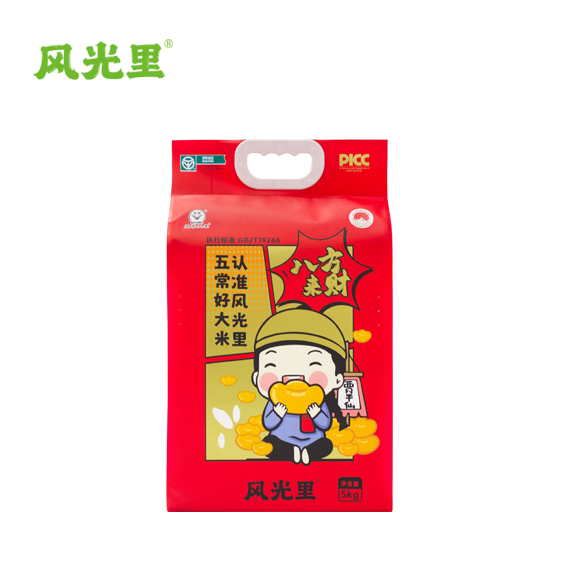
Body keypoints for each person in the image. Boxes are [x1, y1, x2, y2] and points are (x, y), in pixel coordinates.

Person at [251, 307, 349, 465]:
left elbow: (325, 424)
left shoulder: (318, 402)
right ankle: (291, 451)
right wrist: (277, 413)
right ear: (256, 378)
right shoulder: (275, 402)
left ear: (337, 379)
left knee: (326, 445)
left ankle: (309, 451)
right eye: (273, 364)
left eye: (314, 363)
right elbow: (268, 423)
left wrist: (316, 414)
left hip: (314, 440)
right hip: (281, 439)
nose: (294, 375)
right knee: (269, 443)